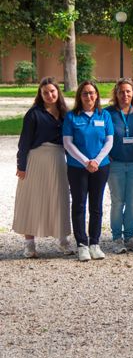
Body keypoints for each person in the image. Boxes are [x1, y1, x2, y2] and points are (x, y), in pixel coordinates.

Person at [12, 77, 72, 258]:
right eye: (45, 92)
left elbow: (71, 141)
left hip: (58, 159)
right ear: (40, 94)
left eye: (52, 91)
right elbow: (24, 143)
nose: (49, 95)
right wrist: (21, 165)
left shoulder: (65, 114)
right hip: (36, 159)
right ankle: (29, 245)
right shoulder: (33, 114)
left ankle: (63, 241)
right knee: (32, 199)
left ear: (58, 92)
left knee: (59, 198)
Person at [63, 80, 114, 262]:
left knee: (96, 205)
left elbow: (109, 141)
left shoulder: (104, 115)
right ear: (80, 96)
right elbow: (68, 143)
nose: (89, 96)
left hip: (101, 166)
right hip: (77, 168)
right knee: (79, 205)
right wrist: (86, 161)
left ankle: (94, 243)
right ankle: (82, 245)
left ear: (97, 95)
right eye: (85, 93)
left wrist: (97, 161)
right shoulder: (71, 117)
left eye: (92, 93)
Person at [106, 78, 133, 254]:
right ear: (116, 94)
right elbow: (102, 135)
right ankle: (117, 238)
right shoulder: (108, 113)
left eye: (128, 92)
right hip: (115, 163)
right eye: (121, 92)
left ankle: (130, 237)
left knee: (132, 202)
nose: (125, 95)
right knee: (117, 202)